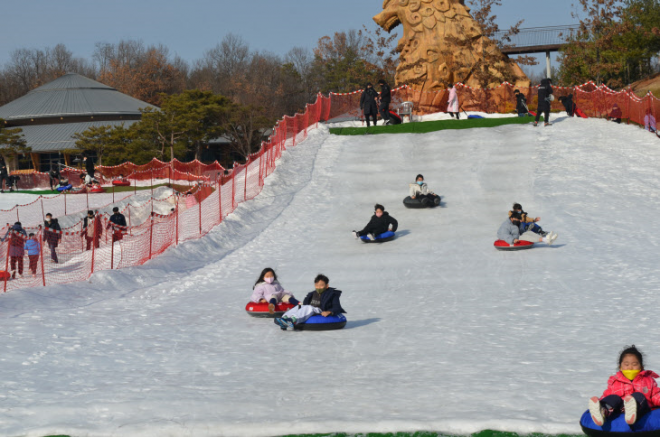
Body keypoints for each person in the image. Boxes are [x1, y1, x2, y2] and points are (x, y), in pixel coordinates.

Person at [588, 345, 660, 427]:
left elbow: (655, 394)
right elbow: (607, 394)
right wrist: (601, 401)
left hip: (641, 408)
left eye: (634, 364)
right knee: (614, 397)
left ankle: (632, 411)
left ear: (641, 367)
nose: (630, 367)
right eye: (626, 364)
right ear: (620, 367)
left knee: (638, 396)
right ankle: (603, 410)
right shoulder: (615, 381)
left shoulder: (647, 380)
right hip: (620, 409)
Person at [274, 274, 346, 330]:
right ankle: (284, 319)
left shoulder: (332, 294)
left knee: (309, 308)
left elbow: (337, 307)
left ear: (327, 286)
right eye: (317, 285)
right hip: (311, 310)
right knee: (299, 307)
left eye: (321, 285)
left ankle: (293, 320)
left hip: (320, 310)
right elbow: (305, 304)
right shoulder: (312, 294)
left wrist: (329, 312)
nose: (318, 287)